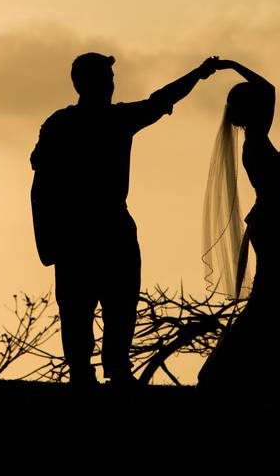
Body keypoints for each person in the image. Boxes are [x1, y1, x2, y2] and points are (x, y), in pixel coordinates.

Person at [30, 52, 218, 386]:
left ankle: (106, 369)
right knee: (83, 307)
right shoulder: (87, 122)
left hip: (97, 229)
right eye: (106, 77)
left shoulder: (67, 123)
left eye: (110, 78)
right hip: (89, 230)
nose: (111, 84)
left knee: (113, 304)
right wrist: (48, 236)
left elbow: (161, 99)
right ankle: (90, 370)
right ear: (88, 82)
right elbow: (41, 183)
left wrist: (198, 74)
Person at [197, 58, 280, 394]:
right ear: (249, 110)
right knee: (275, 292)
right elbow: (269, 88)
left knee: (277, 291)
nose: (265, 105)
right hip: (272, 226)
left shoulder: (258, 140)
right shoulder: (254, 145)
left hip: (276, 223)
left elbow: (277, 199)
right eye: (256, 104)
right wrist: (229, 64)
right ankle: (232, 366)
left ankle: (271, 369)